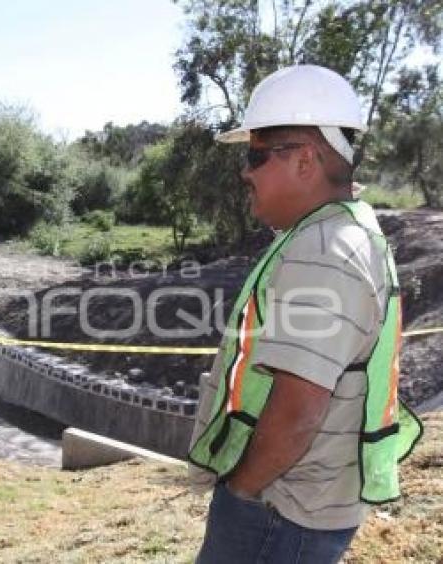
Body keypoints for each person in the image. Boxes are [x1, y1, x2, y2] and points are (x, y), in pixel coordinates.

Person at [188, 65, 422, 563]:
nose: (245, 172)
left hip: (278, 512)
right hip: (298, 509)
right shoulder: (348, 232)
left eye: (256, 155)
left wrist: (241, 491)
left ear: (305, 161)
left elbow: (298, 411)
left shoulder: (324, 250)